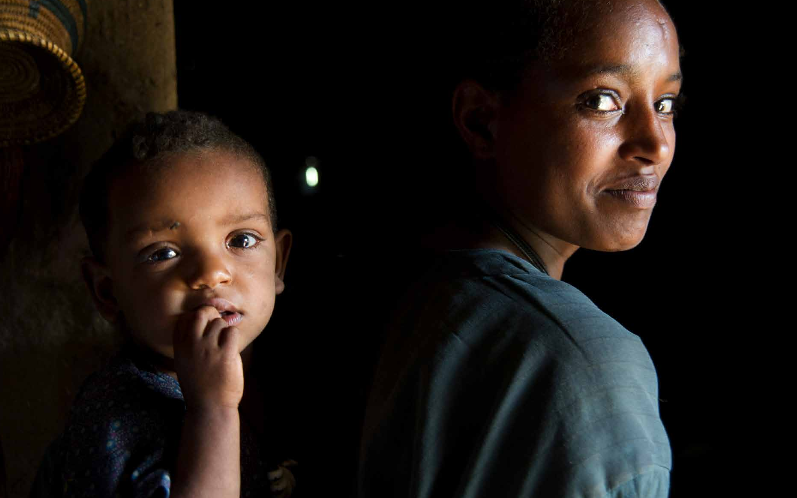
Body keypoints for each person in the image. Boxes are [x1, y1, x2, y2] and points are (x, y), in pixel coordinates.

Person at [359, 0, 681, 496]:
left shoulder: (422, 298)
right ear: (481, 120)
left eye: (665, 104)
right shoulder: (585, 364)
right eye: (602, 100)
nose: (655, 144)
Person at [31, 110, 296, 497]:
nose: (212, 273)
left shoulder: (270, 381)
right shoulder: (116, 418)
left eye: (241, 240)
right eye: (163, 253)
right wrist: (213, 411)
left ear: (278, 264)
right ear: (107, 291)